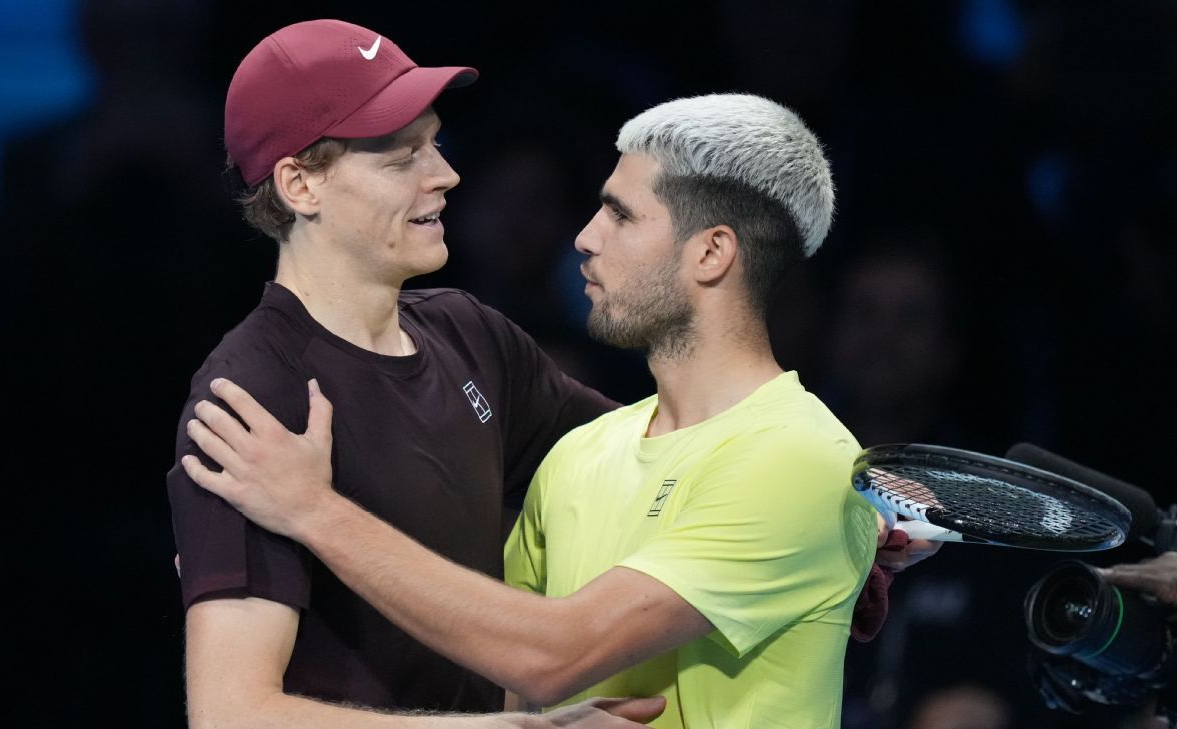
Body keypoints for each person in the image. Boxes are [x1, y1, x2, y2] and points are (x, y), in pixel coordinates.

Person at [184, 93, 888, 728]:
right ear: (298, 184)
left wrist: (313, 510)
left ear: (711, 253)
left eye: (620, 214)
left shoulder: (799, 458)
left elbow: (550, 655)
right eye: (402, 156)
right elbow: (504, 671)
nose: (584, 237)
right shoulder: (580, 452)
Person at [166, 19, 665, 729]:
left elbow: (655, 453)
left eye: (433, 142)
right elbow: (233, 714)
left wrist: (820, 497)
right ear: (300, 183)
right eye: (403, 156)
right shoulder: (251, 398)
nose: (445, 174)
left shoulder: (470, 333)